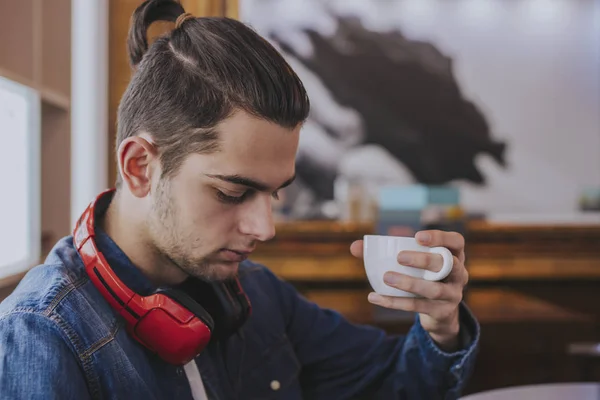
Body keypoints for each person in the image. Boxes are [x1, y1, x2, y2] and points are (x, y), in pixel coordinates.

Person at [0, 1, 479, 399]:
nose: (264, 228)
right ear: (139, 167)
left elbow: (400, 382)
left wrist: (441, 328)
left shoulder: (260, 292)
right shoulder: (43, 334)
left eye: (276, 193)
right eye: (233, 191)